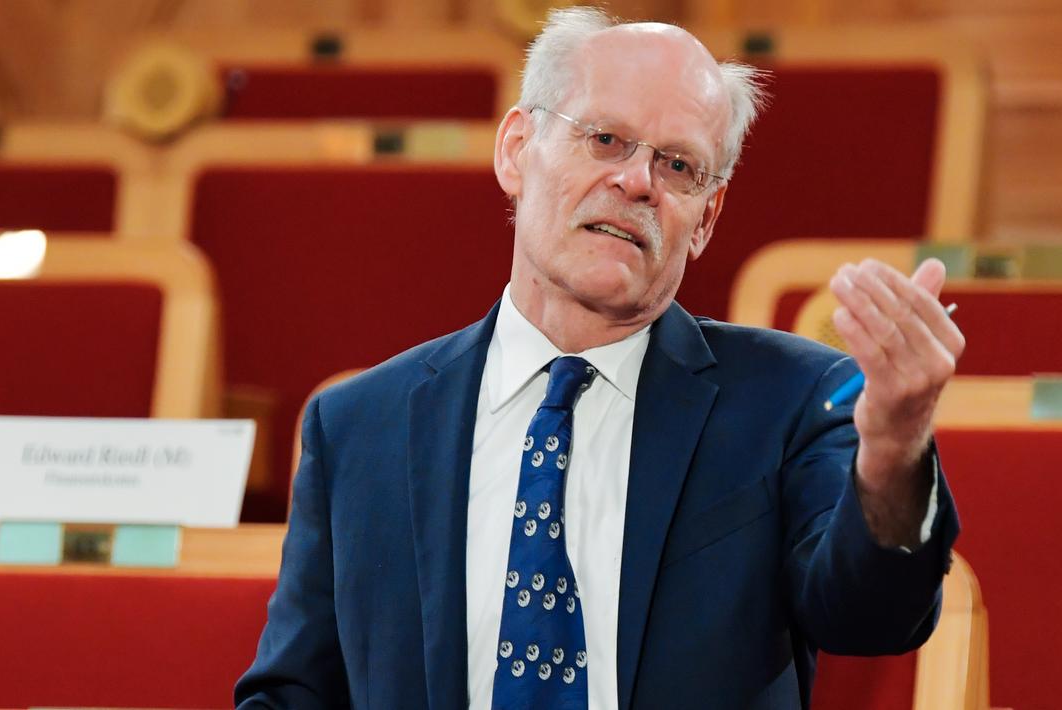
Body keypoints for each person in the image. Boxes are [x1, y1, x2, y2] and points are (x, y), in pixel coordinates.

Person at [236, 7, 964, 710]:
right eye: (607, 139)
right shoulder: (358, 427)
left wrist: (894, 451)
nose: (638, 181)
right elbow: (293, 693)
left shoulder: (791, 402)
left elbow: (871, 618)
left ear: (705, 219)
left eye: (678, 164)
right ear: (516, 150)